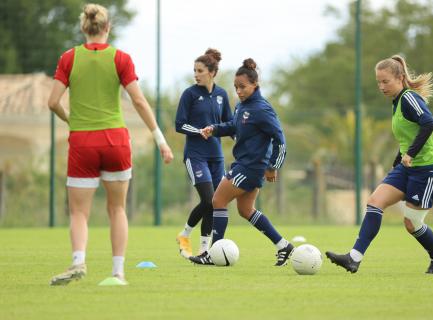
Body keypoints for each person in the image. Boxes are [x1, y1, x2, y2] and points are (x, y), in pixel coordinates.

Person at [47, 3, 173, 285]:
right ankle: (118, 272)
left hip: (82, 141)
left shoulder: (68, 58)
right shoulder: (121, 58)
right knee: (117, 209)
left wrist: (71, 120)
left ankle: (79, 262)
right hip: (116, 141)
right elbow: (139, 101)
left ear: (84, 27)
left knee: (79, 211)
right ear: (108, 28)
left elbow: (52, 102)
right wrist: (161, 141)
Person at [326, 55, 433, 274]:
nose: (381, 86)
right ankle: (353, 258)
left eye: (386, 81)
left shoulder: (409, 98)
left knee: (412, 224)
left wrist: (410, 153)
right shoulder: (397, 102)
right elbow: (406, 137)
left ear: (400, 78)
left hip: (429, 170)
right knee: (375, 201)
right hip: (408, 168)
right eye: (378, 82)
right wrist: (398, 161)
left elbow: (429, 122)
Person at [189, 58, 293, 266]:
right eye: (236, 87)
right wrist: (215, 129)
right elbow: (235, 126)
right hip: (246, 165)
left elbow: (279, 138)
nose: (239, 91)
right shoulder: (242, 106)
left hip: (251, 167)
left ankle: (213, 253)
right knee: (246, 210)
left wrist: (273, 166)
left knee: (217, 201)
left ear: (255, 85)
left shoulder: (262, 109)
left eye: (243, 87)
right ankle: (284, 245)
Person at [175, 49, 232, 258]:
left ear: (212, 72)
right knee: (208, 199)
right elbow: (179, 124)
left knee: (216, 202)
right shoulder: (189, 94)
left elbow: (229, 124)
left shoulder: (222, 95)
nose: (196, 74)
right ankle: (184, 234)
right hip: (195, 156)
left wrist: (241, 139)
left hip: (216, 157)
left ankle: (204, 250)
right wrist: (199, 131)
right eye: (194, 70)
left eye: (200, 71)